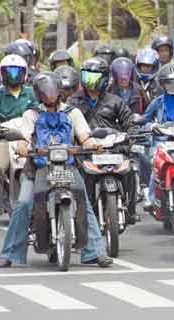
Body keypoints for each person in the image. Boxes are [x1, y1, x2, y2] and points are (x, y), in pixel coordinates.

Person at [0, 72, 113, 268]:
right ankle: (9, 254)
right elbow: (24, 137)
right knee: (22, 204)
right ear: (39, 94)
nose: (50, 97)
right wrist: (23, 146)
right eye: (46, 94)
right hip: (37, 169)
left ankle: (96, 252)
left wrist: (92, 144)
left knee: (83, 201)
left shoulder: (72, 112)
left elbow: (84, 136)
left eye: (54, 93)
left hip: (67, 167)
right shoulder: (31, 114)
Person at [67, 57, 139, 224]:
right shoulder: (73, 102)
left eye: (95, 77)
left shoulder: (115, 101)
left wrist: (132, 136)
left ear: (105, 79)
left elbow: (129, 122)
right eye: (87, 77)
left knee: (131, 169)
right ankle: (78, 212)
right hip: (85, 151)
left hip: (113, 149)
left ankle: (131, 210)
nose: (90, 82)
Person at [0, 55, 39, 219]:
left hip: (29, 138)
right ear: (2, 74)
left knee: (41, 167)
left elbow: (40, 112)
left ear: (24, 74)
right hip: (6, 138)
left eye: (17, 72)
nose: (13, 76)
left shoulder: (32, 93)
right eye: (9, 72)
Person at [143, 62, 174, 211]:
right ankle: (151, 196)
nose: (173, 85)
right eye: (169, 82)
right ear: (162, 84)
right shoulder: (157, 101)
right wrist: (151, 127)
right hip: (162, 140)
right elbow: (144, 119)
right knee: (155, 160)